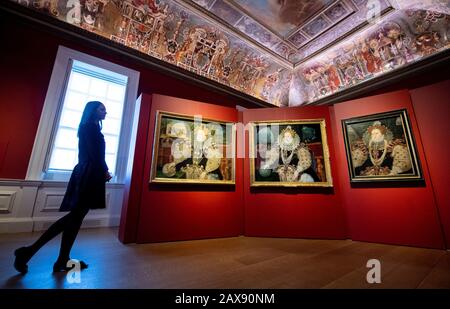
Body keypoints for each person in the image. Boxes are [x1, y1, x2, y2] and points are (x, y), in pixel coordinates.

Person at [13, 101, 112, 273]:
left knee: (76, 218)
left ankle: (61, 259)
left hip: (87, 172)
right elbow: (96, 155)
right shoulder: (89, 127)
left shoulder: (91, 127)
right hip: (89, 173)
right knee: (75, 217)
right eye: (102, 108)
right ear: (92, 111)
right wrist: (105, 171)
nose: (105, 111)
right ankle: (29, 252)